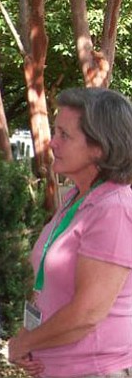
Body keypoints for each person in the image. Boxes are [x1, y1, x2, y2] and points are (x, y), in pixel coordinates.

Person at [8, 87, 132, 377]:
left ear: (99, 147)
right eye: (55, 132)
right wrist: (28, 336)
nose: (52, 143)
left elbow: (87, 313)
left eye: (65, 135)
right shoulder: (79, 198)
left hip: (93, 370)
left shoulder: (113, 209)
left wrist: (24, 342)